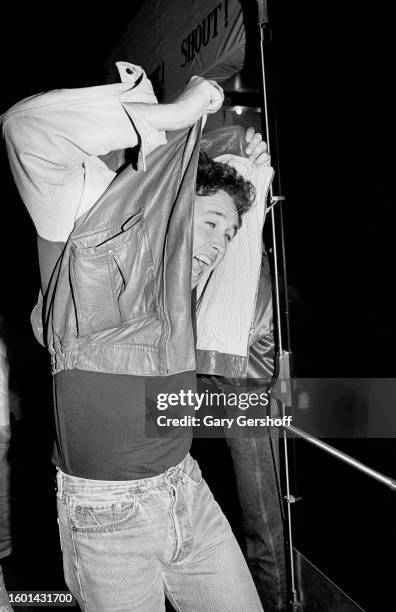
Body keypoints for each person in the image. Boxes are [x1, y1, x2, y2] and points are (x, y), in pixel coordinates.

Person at [1, 62, 269, 611]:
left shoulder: (182, 304)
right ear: (171, 210)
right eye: (212, 224)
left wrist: (251, 173)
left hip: (187, 493)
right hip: (107, 516)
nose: (220, 246)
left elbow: (164, 407)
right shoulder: (88, 224)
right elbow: (25, 132)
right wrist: (179, 114)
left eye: (229, 234)